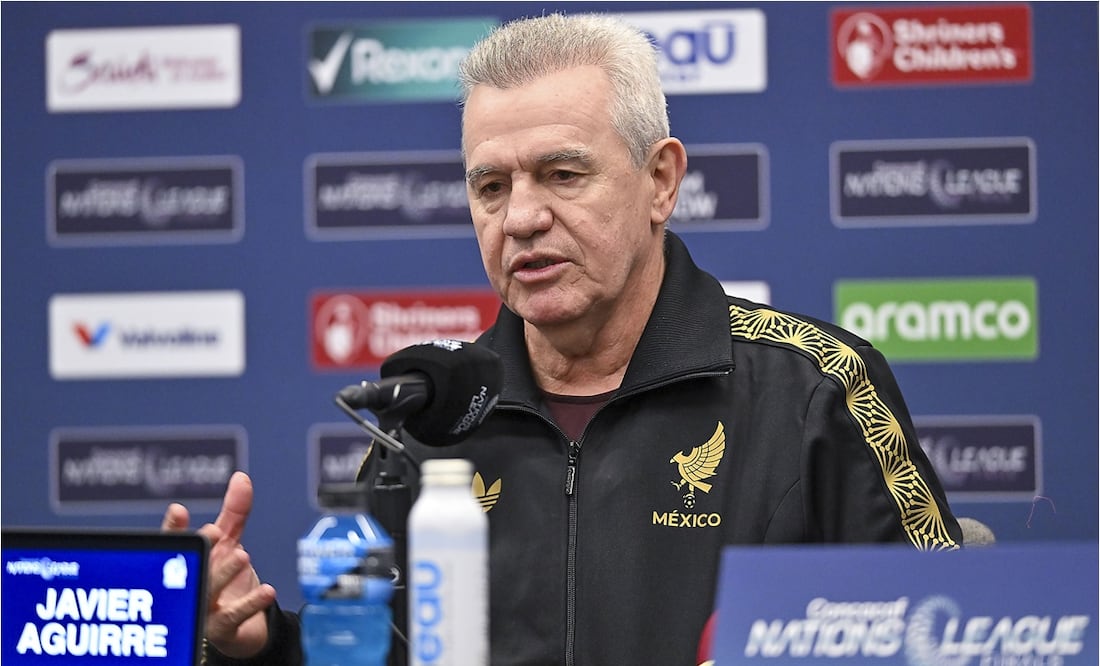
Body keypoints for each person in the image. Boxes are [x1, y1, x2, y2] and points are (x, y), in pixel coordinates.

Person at [163, 12, 962, 666]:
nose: (521, 217)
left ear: (660, 180)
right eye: (491, 186)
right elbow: (366, 653)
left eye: (563, 175)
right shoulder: (428, 420)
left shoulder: (815, 389)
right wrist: (258, 645)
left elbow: (948, 632)